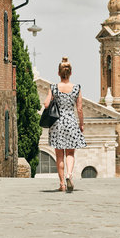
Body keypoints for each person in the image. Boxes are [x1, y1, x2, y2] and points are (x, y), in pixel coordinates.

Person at [43, 57, 87, 192]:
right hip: (71, 122)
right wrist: (81, 124)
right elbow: (79, 109)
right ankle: (69, 175)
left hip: (57, 123)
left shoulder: (54, 87)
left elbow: (45, 104)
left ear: (58, 73)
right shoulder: (76, 88)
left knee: (59, 154)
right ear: (71, 73)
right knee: (70, 153)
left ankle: (62, 184)